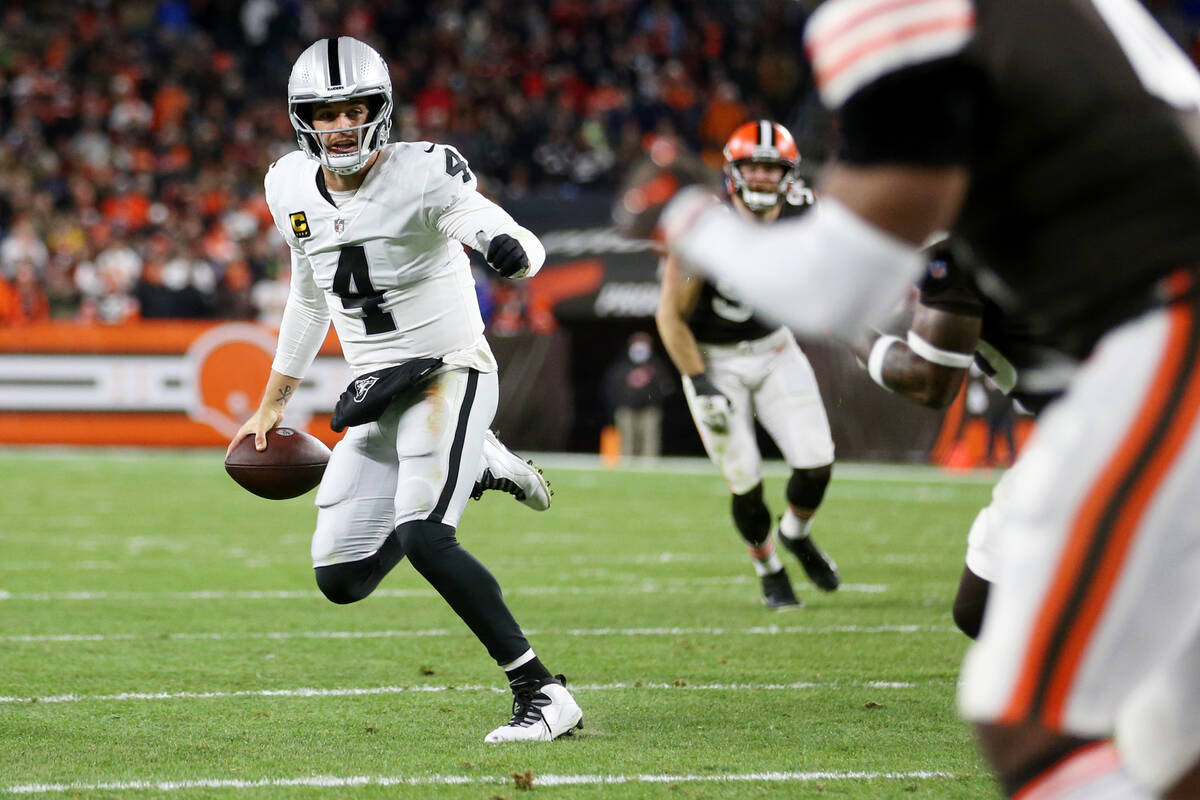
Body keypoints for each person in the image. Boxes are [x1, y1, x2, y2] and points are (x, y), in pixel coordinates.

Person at [632, 1, 1200, 796]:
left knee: (1019, 713)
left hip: (1164, 330)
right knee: (1169, 727)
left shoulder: (905, 17)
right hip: (1124, 347)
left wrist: (683, 213)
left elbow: (835, 290)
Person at [226, 37, 581, 743]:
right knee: (341, 577)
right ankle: (480, 463)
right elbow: (309, 296)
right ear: (302, 120)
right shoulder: (288, 184)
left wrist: (512, 252)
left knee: (425, 535)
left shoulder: (423, 172)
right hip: (376, 391)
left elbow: (496, 227)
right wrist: (273, 400)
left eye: (355, 110)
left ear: (380, 111)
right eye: (326, 114)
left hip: (449, 370)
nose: (341, 127)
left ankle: (542, 694)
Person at [655, 120, 840, 611]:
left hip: (774, 347)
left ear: (789, 175)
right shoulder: (706, 230)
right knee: (746, 480)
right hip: (714, 360)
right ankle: (769, 567)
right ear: (733, 172)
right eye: (752, 166)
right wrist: (700, 381)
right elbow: (670, 316)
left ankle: (795, 533)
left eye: (771, 168)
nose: (761, 176)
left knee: (816, 463)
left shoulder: (806, 214)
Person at [854, 240, 1075, 640]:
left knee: (981, 608)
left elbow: (929, 383)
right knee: (978, 608)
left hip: (1104, 424)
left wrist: (847, 329)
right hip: (1092, 417)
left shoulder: (956, 252)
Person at [602, 331, 674, 459]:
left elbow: (667, 388)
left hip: (650, 411)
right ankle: (626, 468)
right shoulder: (621, 365)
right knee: (627, 444)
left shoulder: (657, 366)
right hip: (626, 410)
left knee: (650, 444)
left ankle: (650, 469)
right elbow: (610, 387)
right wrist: (617, 405)